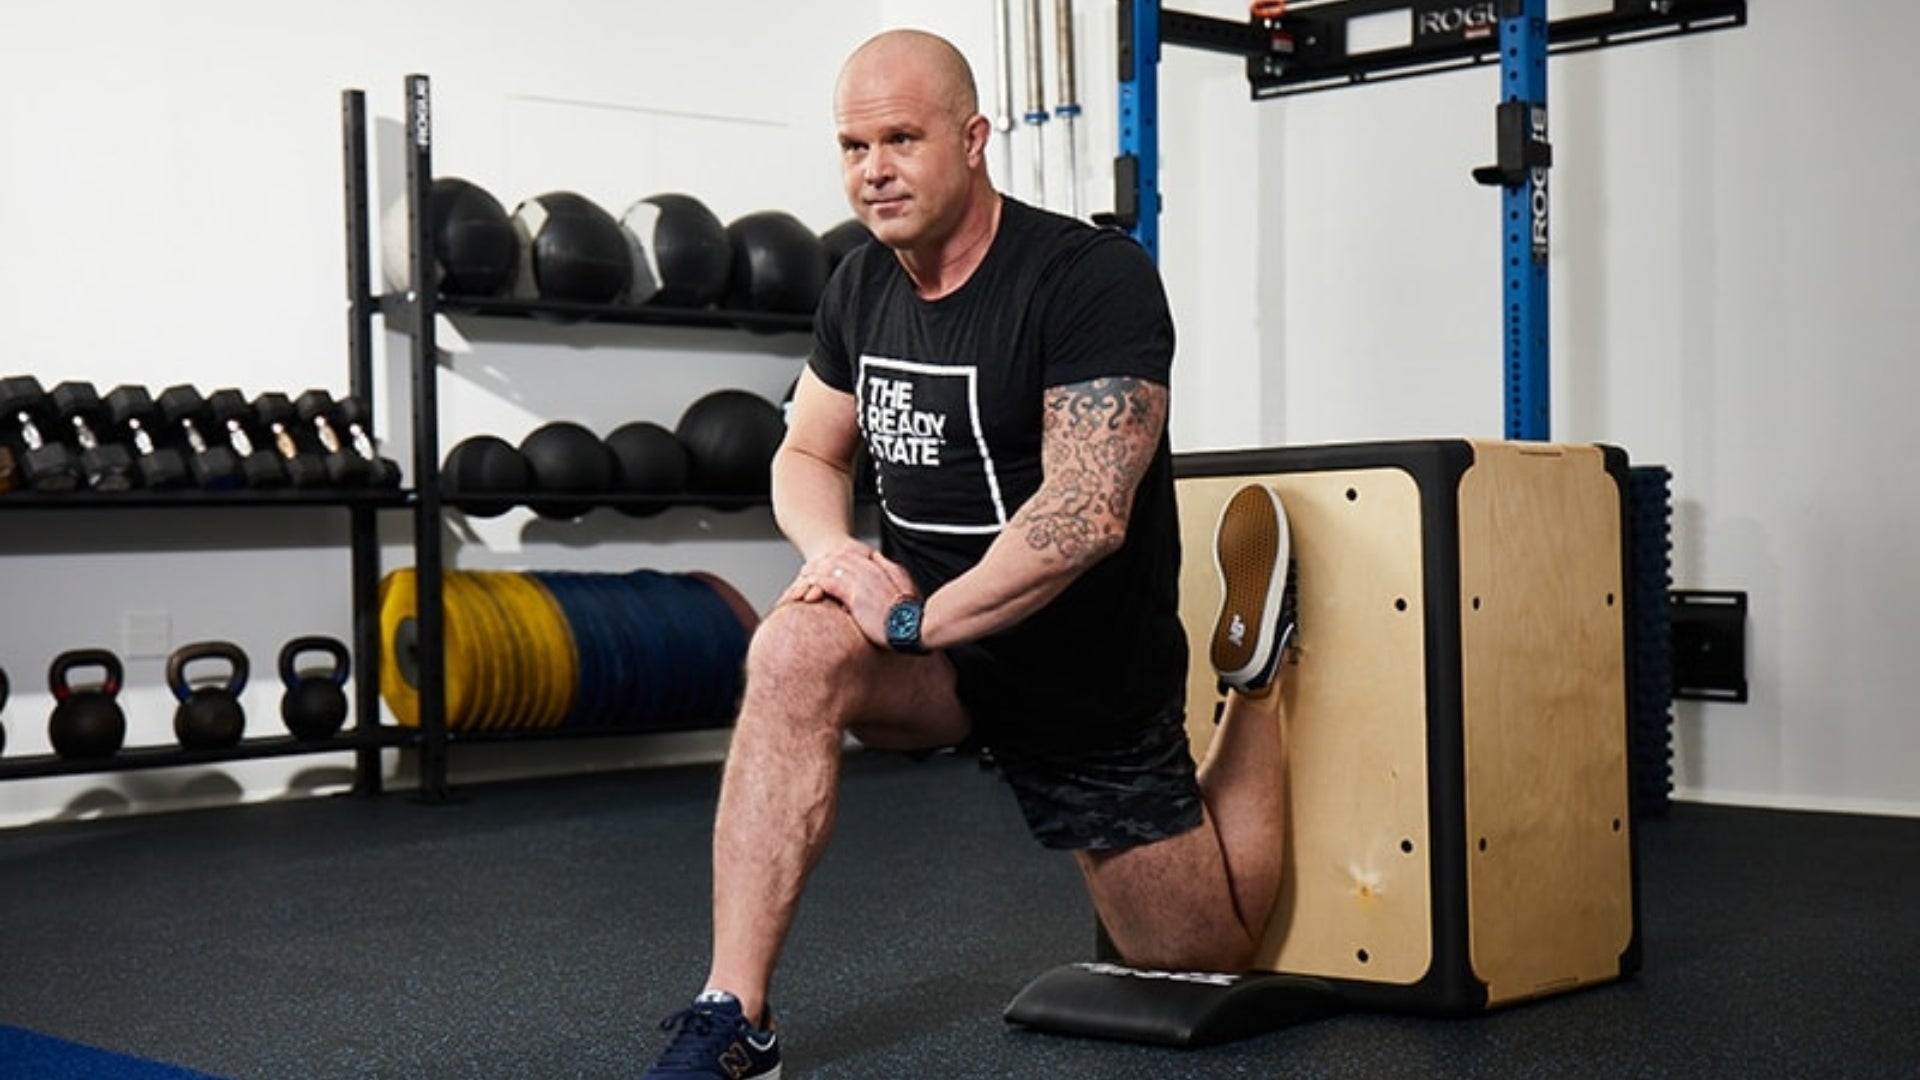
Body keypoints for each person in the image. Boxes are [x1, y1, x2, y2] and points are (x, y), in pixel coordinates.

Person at [640, 27, 1296, 1080]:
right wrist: (838, 557)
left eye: (902, 137)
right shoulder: (859, 287)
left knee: (1198, 958)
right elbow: (808, 447)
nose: (875, 170)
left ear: (975, 137)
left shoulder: (1089, 278)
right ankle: (734, 1015)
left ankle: (1257, 681)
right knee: (791, 655)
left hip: (1077, 672)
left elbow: (1084, 511)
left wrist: (910, 618)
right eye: (854, 146)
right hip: (936, 657)